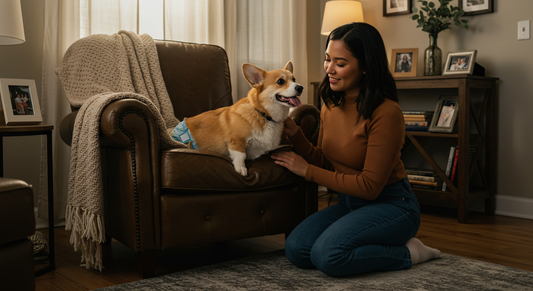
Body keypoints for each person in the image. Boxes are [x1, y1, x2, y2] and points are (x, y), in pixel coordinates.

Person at [271, 22, 440, 277]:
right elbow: (327, 161)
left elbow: (370, 187)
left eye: (340, 63)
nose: (329, 69)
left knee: (328, 256)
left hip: (392, 205)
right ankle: (367, 241)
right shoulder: (331, 102)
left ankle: (410, 252)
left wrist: (307, 172)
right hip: (349, 203)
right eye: (328, 59)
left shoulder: (386, 113)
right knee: (297, 248)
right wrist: (296, 136)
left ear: (365, 67)